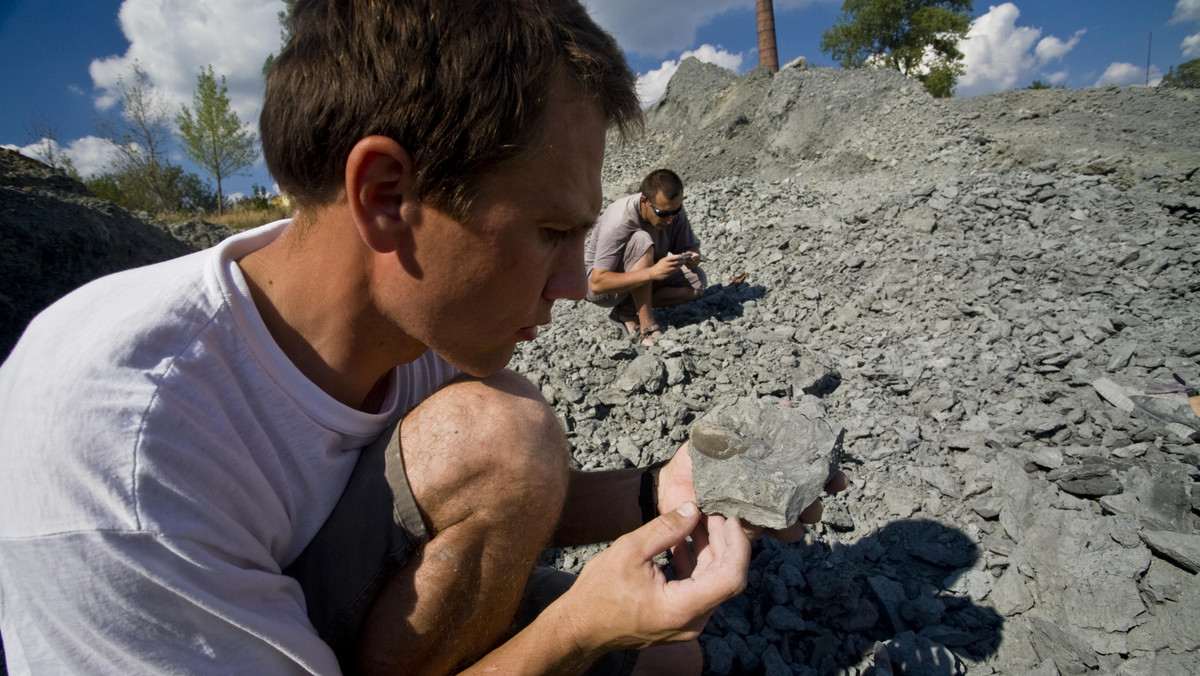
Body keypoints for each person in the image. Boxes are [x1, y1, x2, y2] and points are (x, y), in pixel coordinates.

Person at [0, 1, 844, 674]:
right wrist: (576, 632)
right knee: (505, 433)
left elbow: (492, 497)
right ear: (385, 197)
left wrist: (659, 489)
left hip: (338, 609)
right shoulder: (122, 455)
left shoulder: (418, 311)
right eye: (551, 230)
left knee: (671, 653)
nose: (567, 282)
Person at [584, 169, 706, 346]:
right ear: (644, 201)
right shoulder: (619, 220)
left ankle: (626, 311)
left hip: (642, 273)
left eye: (676, 211)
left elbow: (690, 247)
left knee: (697, 282)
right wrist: (653, 273)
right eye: (663, 213)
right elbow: (597, 283)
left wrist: (693, 256)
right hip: (604, 290)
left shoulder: (671, 212)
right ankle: (647, 328)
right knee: (641, 240)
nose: (670, 219)